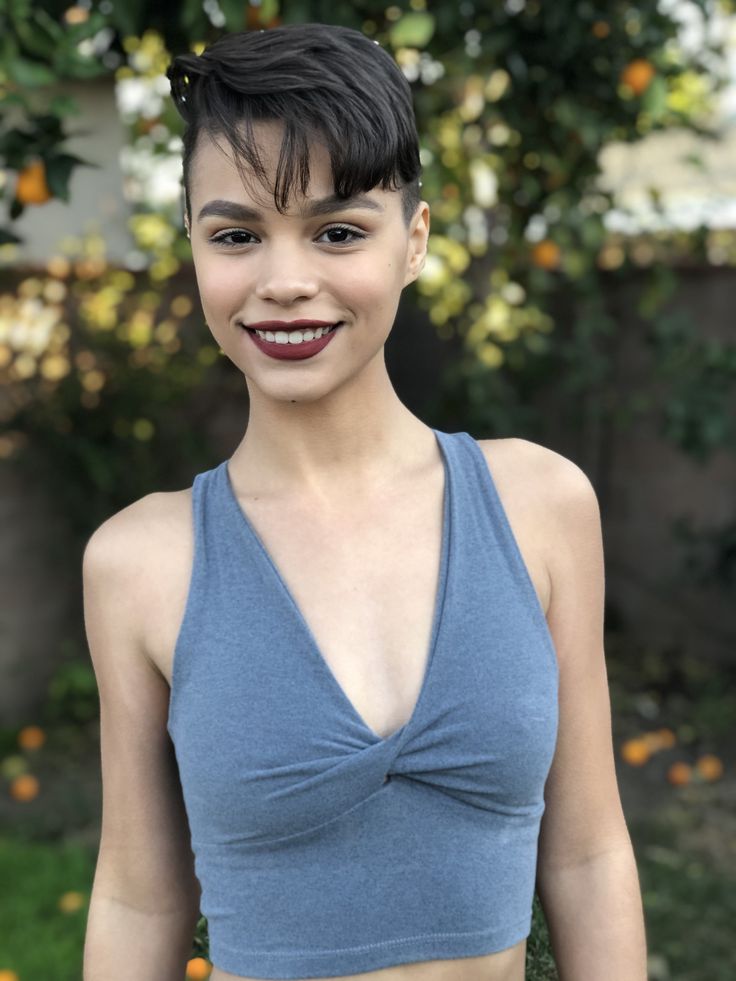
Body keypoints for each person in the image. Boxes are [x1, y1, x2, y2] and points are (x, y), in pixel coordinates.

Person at [82, 22, 648, 981]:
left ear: (414, 241)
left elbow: (589, 856)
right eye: (236, 235)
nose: (286, 282)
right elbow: (140, 896)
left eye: (338, 230)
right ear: (192, 246)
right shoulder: (140, 563)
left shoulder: (542, 504)